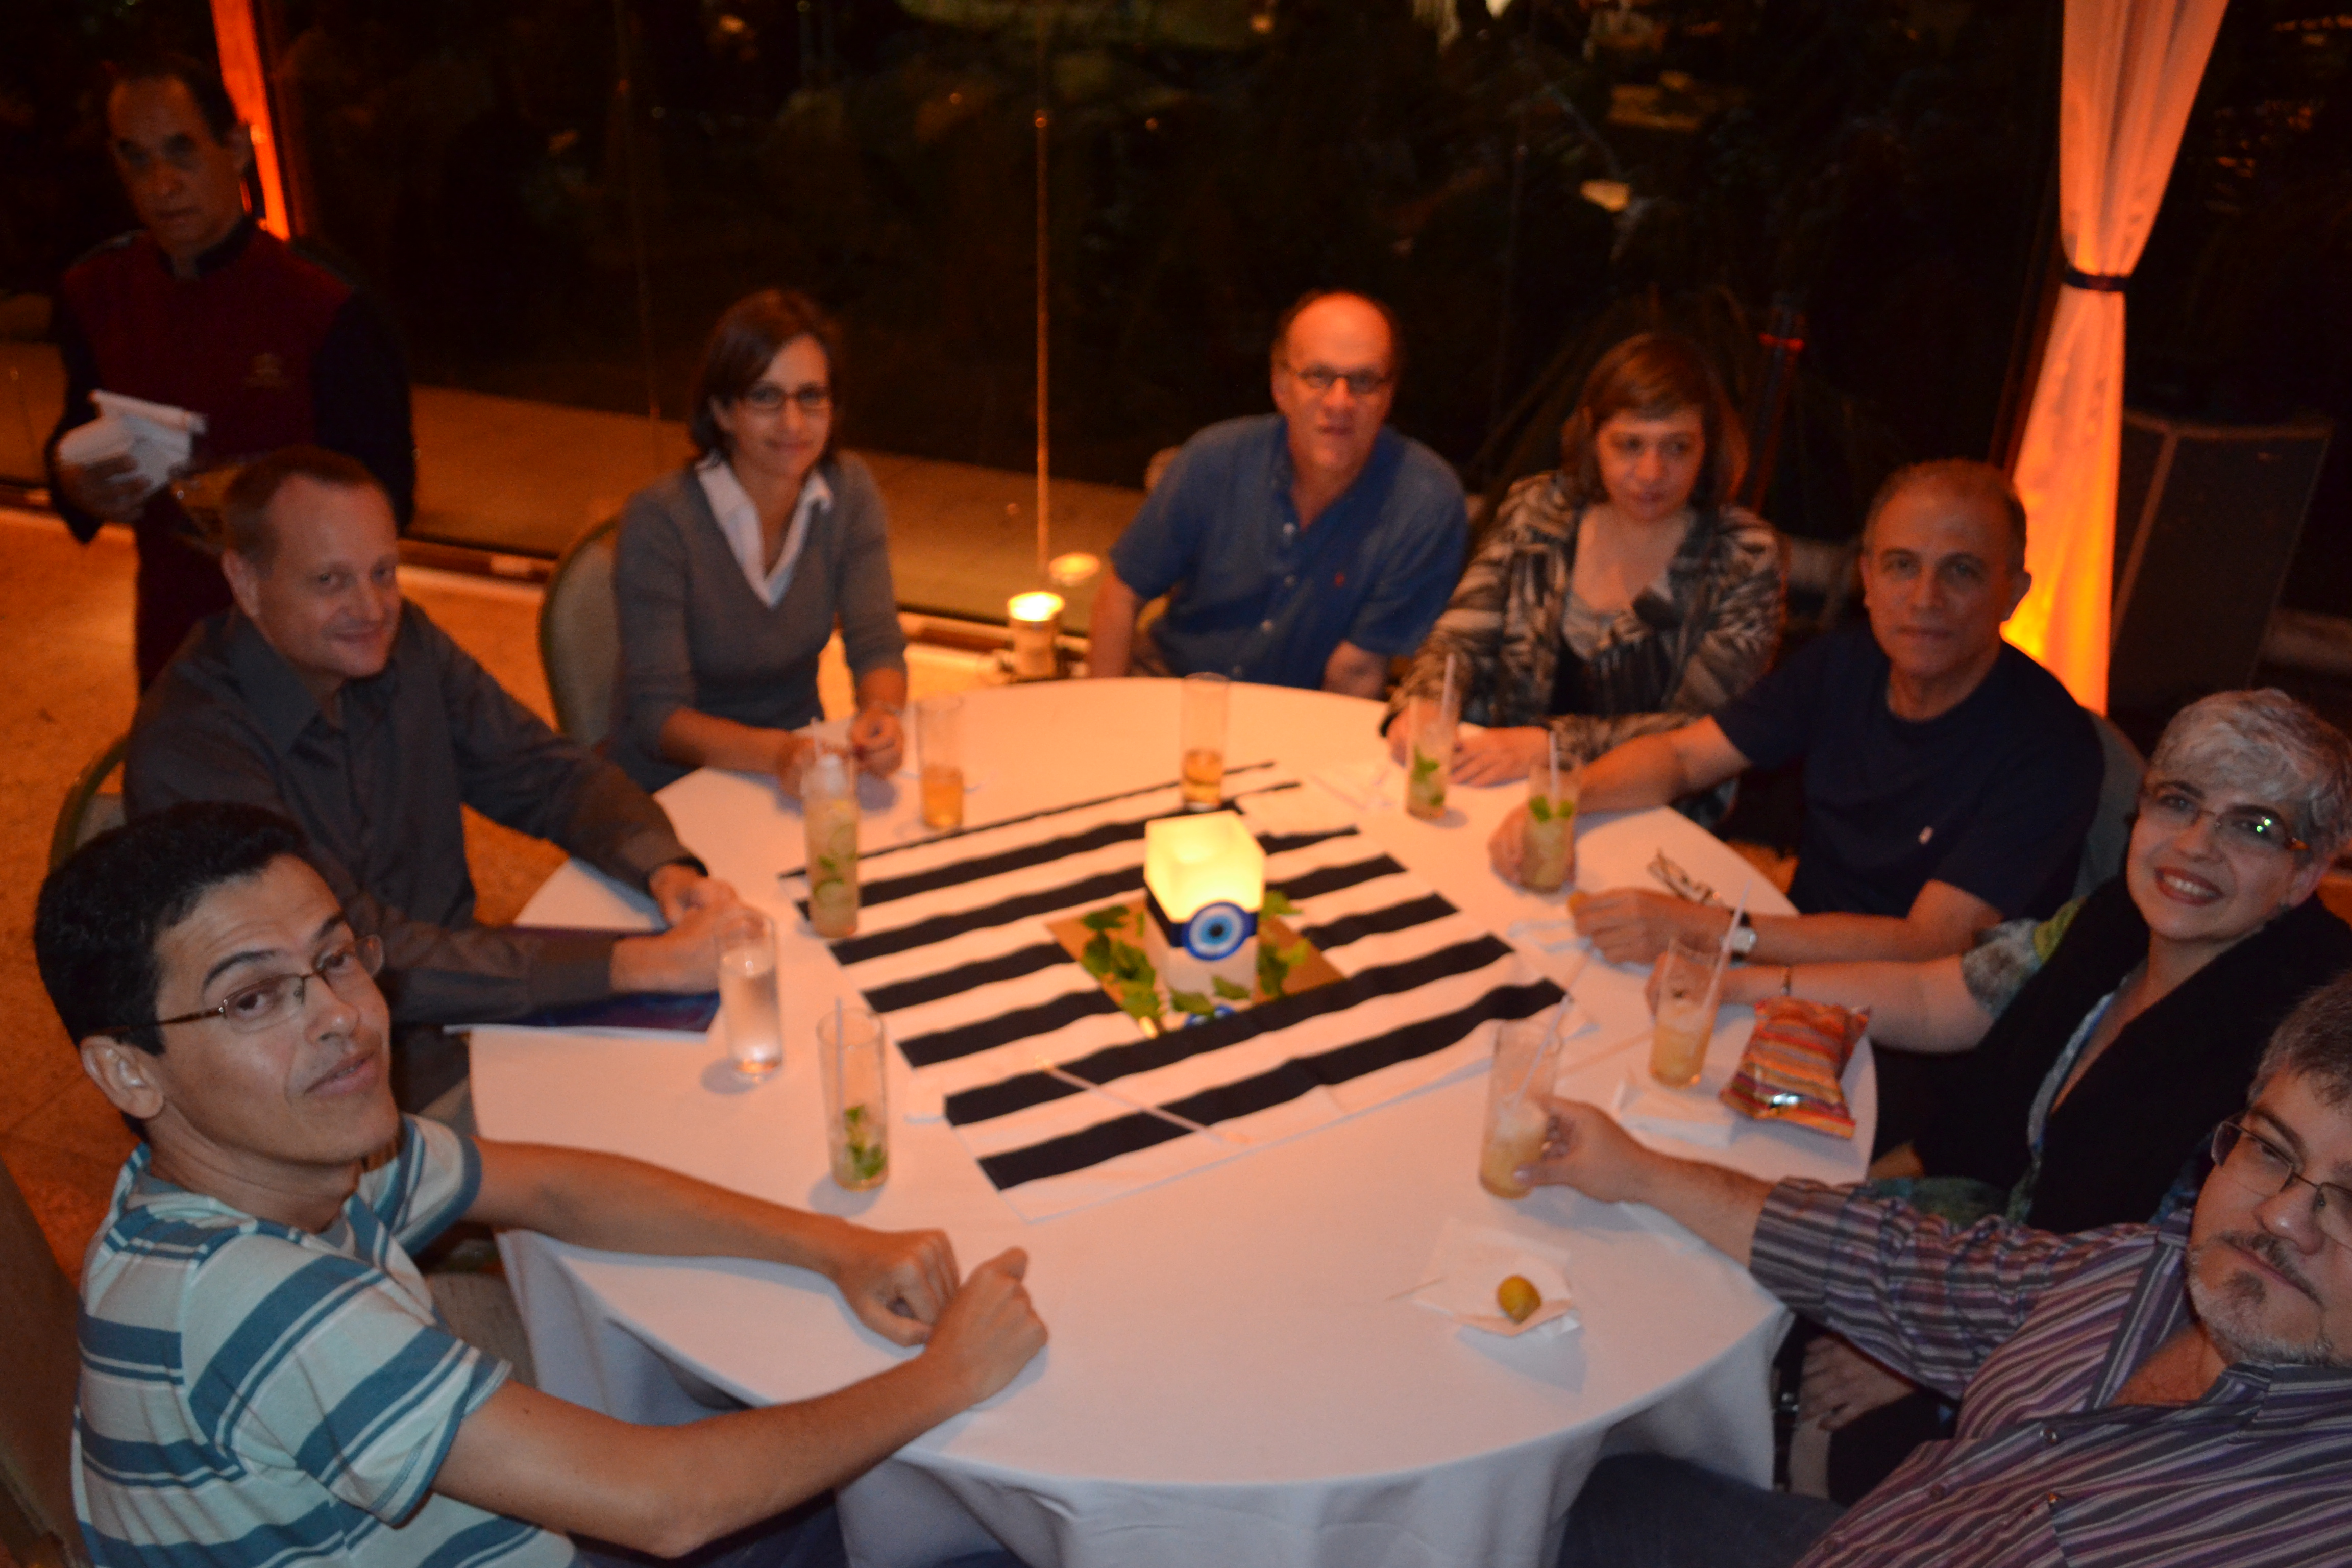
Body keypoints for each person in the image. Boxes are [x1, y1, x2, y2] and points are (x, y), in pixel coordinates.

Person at [38, 802, 1046, 1568]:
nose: (343, 1016)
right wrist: (946, 1376)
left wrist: (836, 1245)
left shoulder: (274, 1165)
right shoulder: (248, 1300)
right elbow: (667, 1503)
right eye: (255, 998)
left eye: (336, 957)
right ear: (127, 1070)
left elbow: (555, 1189)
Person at [1702, 688, 2352, 1501]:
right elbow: (1946, 995)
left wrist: (1921, 1354)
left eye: (2253, 827)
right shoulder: (2119, 916)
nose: (2195, 846)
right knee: (1715, 1244)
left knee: (1781, 1382)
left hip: (2080, 1368)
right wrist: (1740, 982)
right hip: (1985, 1244)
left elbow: (2172, 1294)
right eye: (2179, 801)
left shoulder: (2301, 1044)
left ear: (2306, 872)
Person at [1529, 970, 2352, 1567]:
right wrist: (1638, 1171)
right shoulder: (2143, 1269)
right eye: (2269, 1149)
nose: (2281, 1216)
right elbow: (1908, 1268)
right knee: (1598, 1497)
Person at [123, 446, 736, 1115]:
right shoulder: (194, 750)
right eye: (330, 581)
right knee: (656, 1128)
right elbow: (349, 956)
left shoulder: (402, 645)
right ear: (245, 581)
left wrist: (664, 869)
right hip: (322, 1089)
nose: (371, 607)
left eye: (383, 572)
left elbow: (544, 773)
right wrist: (634, 965)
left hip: (464, 1018)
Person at [1496, 458, 2101, 969]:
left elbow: (1931, 947)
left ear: (2013, 592)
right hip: (1786, 948)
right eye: (1902, 565)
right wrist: (1561, 803)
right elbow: (1683, 757)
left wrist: (1713, 930)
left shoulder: (2051, 746)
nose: (1925, 598)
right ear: (1867, 579)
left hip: (1912, 1024)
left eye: (1961, 571)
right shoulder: (1845, 662)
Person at [45, 50, 413, 689]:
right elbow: (76, 430)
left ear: (236, 149)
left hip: (314, 650)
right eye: (137, 159)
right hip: (174, 643)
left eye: (182, 152)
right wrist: (74, 481)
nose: (161, 185)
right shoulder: (95, 292)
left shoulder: (325, 304)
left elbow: (392, 497)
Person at [1384, 331, 1781, 814]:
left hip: (1650, 814)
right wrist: (1427, 703)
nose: (1652, 472)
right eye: (1629, 445)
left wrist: (1552, 744)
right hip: (1498, 786)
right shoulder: (1538, 508)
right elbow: (1460, 640)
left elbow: (1701, 735)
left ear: (1709, 446)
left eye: (1677, 448)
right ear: (1592, 437)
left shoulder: (1743, 556)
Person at [1085, 290, 1468, 695]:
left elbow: (1355, 671)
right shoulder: (1215, 459)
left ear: (1389, 394)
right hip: (1169, 685)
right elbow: (1121, 596)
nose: (1340, 402)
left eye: (1364, 381)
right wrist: (1103, 714)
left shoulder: (1425, 501)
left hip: (1297, 715)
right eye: (1318, 376)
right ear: (1281, 385)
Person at [613, 288, 909, 794]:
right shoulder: (661, 521)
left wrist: (882, 714)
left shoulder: (848, 491)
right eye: (766, 397)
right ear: (723, 411)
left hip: (800, 766)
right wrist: (777, 754)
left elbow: (877, 642)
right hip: (677, 786)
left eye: (811, 396)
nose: (793, 423)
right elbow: (658, 718)